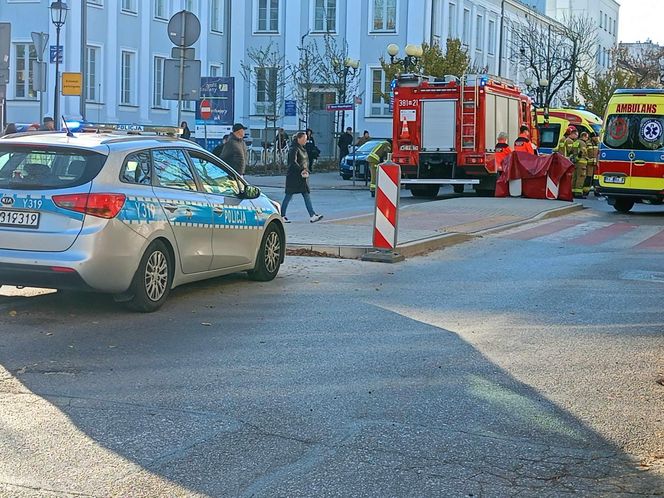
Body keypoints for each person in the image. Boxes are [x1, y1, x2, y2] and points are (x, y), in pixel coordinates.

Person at [281, 131, 323, 223]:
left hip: (302, 177)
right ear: (298, 139)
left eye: (306, 139)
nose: (306, 141)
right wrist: (301, 170)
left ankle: (312, 215)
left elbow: (305, 161)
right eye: (304, 139)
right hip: (294, 177)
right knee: (288, 195)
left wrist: (306, 169)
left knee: (306, 194)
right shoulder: (294, 148)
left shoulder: (301, 148)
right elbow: (293, 162)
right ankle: (282, 215)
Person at [566, 127, 587, 198]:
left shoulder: (575, 142)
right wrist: (578, 158)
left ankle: (572, 192)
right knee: (581, 177)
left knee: (574, 177)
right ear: (584, 137)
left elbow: (570, 152)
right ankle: (578, 193)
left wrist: (574, 159)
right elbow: (582, 152)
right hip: (581, 163)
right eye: (586, 137)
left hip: (575, 163)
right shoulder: (582, 143)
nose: (587, 139)